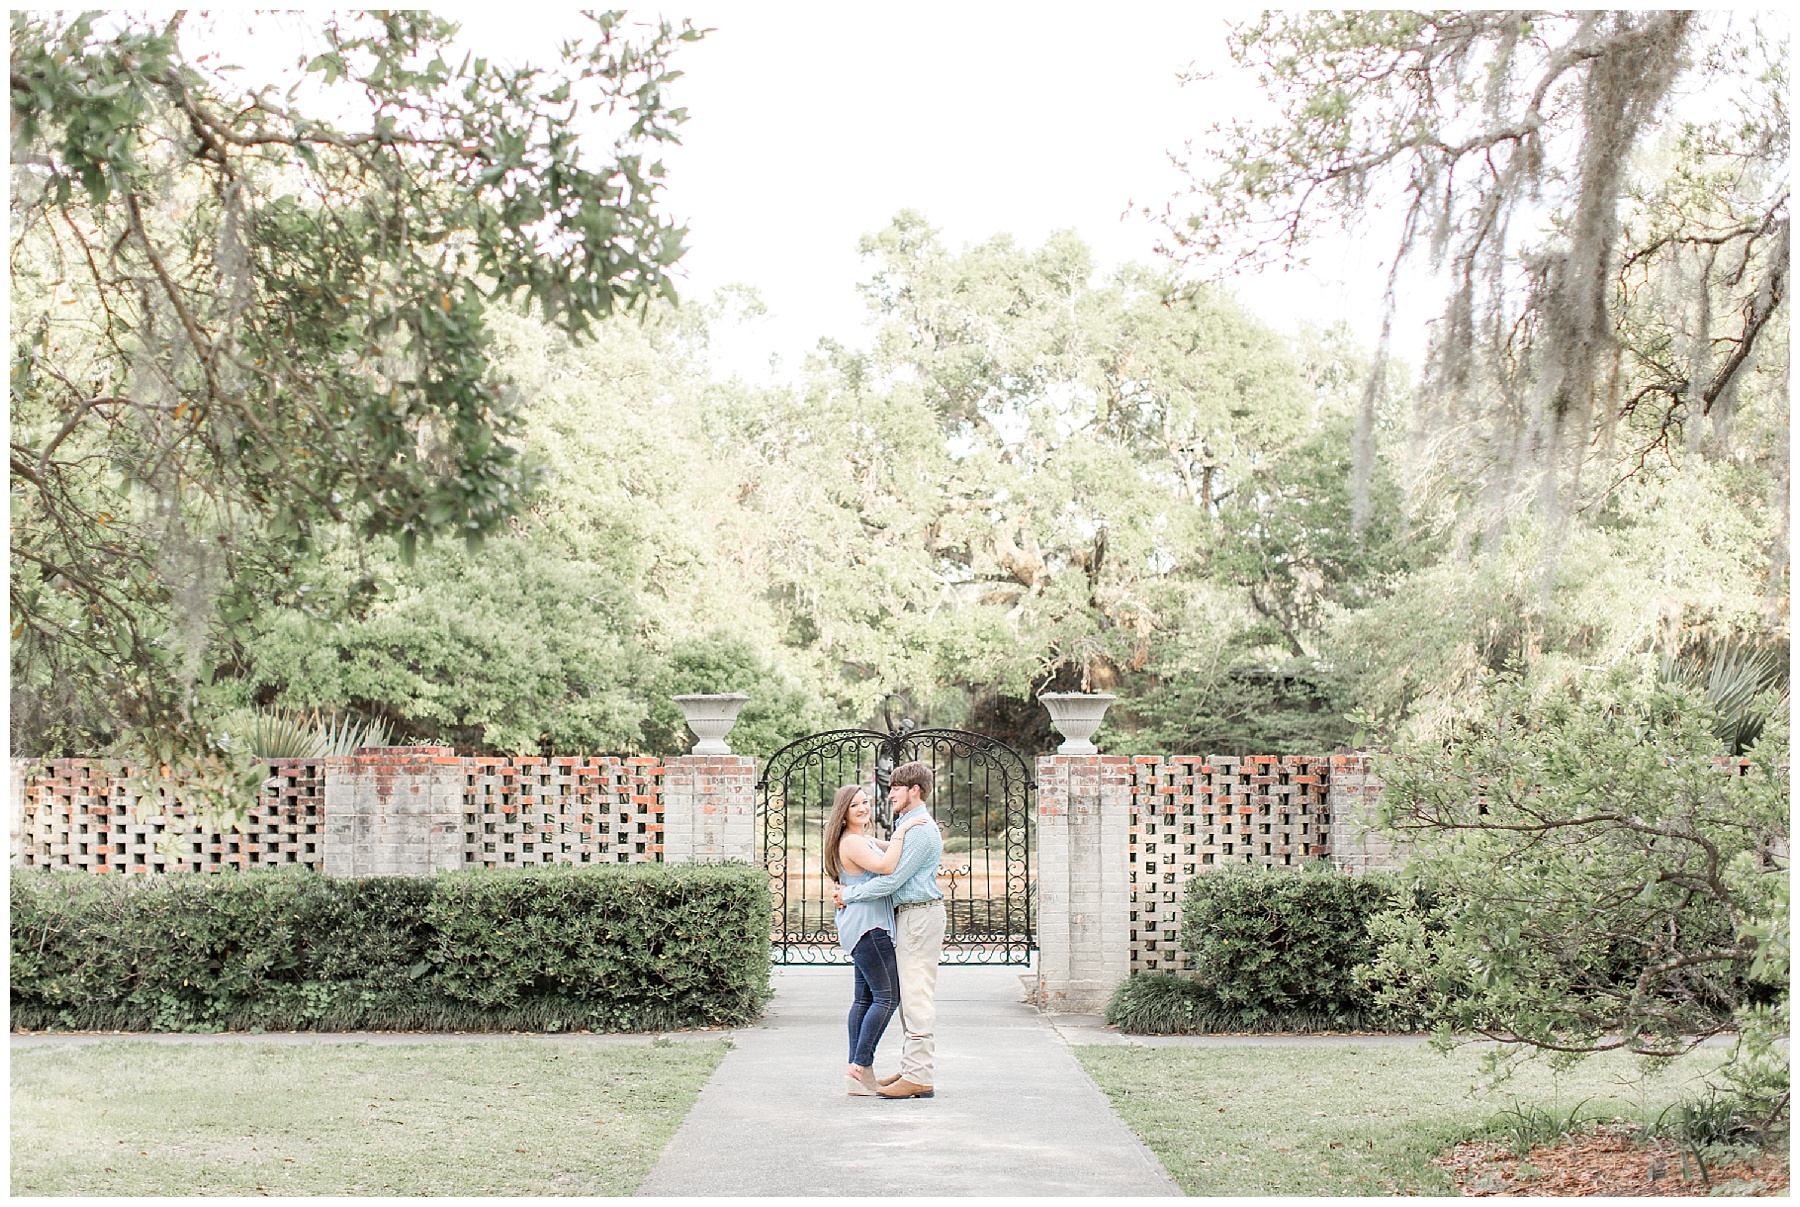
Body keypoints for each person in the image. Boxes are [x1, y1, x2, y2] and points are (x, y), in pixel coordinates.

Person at [833, 760, 944, 1100]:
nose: (889, 793)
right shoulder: (906, 826)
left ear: (915, 790)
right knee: (894, 996)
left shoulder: (918, 828)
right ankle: (908, 1070)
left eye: (896, 787)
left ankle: (917, 1074)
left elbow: (891, 877)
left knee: (912, 996)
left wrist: (847, 893)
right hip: (894, 919)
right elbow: (881, 858)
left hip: (919, 916)